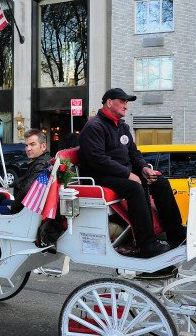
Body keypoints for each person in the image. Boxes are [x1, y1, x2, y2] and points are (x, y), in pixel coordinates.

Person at [79, 88, 185, 258]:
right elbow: (98, 160)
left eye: (127, 102)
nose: (126, 106)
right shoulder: (94, 126)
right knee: (134, 187)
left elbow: (134, 153)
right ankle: (146, 244)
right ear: (109, 102)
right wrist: (128, 174)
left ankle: (177, 235)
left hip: (120, 173)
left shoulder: (123, 126)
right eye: (123, 101)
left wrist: (143, 167)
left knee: (161, 182)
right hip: (99, 175)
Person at [0, 129, 52, 268]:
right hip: (30, 208)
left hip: (25, 211)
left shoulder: (40, 164)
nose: (28, 149)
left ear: (43, 146)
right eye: (26, 145)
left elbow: (26, 190)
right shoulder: (43, 161)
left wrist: (12, 207)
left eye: (32, 144)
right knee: (0, 199)